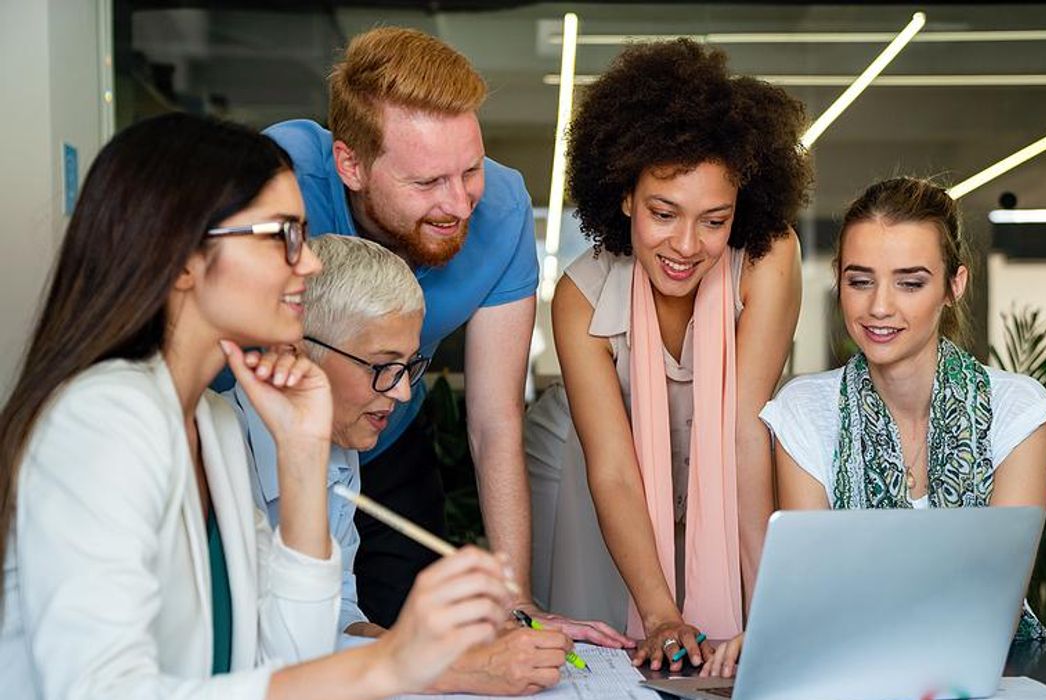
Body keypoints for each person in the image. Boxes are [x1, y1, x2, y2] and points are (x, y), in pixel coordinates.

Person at [0, 113, 511, 699]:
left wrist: (303, 454)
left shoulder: (212, 425)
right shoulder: (102, 419)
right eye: (282, 236)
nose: (309, 261)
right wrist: (390, 663)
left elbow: (290, 659)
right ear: (184, 257)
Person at [263, 25, 623, 646]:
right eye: (427, 183)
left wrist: (516, 599)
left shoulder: (500, 207)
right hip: (264, 446)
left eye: (470, 170)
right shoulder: (281, 180)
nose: (458, 204)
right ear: (351, 164)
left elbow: (494, 421)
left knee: (407, 629)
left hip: (386, 439)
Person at [701, 176, 1046, 678]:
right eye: (860, 281)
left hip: (988, 676)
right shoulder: (804, 411)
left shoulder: (1019, 411)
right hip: (847, 675)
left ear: (954, 286)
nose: (879, 306)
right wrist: (783, 634)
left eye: (910, 283)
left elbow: (996, 608)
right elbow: (813, 593)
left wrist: (824, 626)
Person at [526, 39, 811, 671]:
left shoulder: (768, 258)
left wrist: (770, 607)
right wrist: (659, 613)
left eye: (714, 220)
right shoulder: (579, 296)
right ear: (626, 195)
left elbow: (743, 434)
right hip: (610, 493)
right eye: (663, 213)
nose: (686, 245)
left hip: (733, 490)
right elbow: (613, 469)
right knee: (618, 652)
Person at [229, 234, 573, 695]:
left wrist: (441, 649)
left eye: (409, 366)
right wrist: (452, 669)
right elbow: (261, 655)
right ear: (294, 352)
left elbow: (337, 616)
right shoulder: (219, 456)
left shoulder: (338, 451)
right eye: (382, 366)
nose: (403, 392)